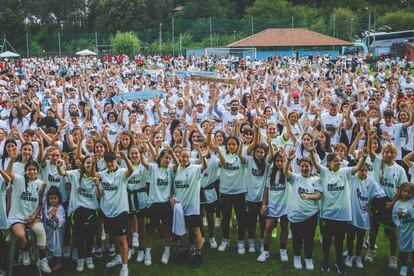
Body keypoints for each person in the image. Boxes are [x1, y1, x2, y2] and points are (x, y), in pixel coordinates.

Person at [310, 143, 368, 273]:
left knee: (339, 241)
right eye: (335, 161)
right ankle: (326, 262)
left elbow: (358, 167)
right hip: (327, 214)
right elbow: (316, 165)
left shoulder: (345, 172)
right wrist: (311, 153)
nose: (338, 163)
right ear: (329, 163)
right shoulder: (324, 173)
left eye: (339, 161)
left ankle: (338, 263)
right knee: (326, 241)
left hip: (342, 215)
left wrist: (363, 157)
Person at [6, 159, 51, 273]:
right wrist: (12, 159)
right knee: (21, 235)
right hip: (17, 216)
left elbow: (40, 203)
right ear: (25, 171)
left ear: (37, 170)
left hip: (32, 216)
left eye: (34, 169)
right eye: (29, 169)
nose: (32, 172)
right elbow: (8, 173)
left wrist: (34, 215)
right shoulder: (19, 179)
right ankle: (25, 250)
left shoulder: (41, 184)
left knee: (40, 231)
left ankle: (43, 260)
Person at [57, 155, 100, 272]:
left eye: (91, 163)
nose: (89, 165)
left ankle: (89, 257)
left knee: (90, 236)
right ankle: (81, 259)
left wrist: (97, 185)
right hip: (77, 210)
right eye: (87, 162)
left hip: (92, 210)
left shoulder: (96, 176)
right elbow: (62, 173)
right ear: (83, 163)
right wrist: (59, 166)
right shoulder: (76, 173)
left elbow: (99, 196)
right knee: (79, 236)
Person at [94, 151, 134, 276]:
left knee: (122, 239)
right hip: (107, 211)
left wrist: (126, 158)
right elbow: (93, 177)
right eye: (107, 161)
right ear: (105, 162)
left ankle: (125, 267)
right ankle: (118, 257)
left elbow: (131, 171)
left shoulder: (122, 172)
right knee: (114, 237)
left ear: (115, 161)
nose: (110, 163)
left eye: (112, 161)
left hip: (120, 211)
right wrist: (96, 184)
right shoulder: (102, 174)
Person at [284, 150, 322, 271]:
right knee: (297, 238)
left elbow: (319, 195)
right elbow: (285, 172)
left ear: (311, 167)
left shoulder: (316, 180)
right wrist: (289, 160)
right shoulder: (295, 178)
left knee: (309, 238)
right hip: (296, 215)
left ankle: (308, 258)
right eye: (302, 166)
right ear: (299, 167)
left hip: (311, 215)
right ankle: (296, 257)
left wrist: (308, 196)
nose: (304, 168)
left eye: (307, 166)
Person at [140, 147, 178, 266]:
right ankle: (148, 253)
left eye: (169, 158)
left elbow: (178, 163)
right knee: (151, 230)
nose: (168, 160)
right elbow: (144, 162)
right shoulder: (153, 167)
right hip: (154, 203)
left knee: (167, 230)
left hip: (166, 204)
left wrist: (173, 154)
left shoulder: (171, 168)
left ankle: (167, 252)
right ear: (160, 158)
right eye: (166, 157)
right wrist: (141, 153)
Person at [170, 147, 207, 268]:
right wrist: (172, 197)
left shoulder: (194, 169)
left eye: (187, 156)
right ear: (180, 157)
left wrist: (202, 154)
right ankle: (184, 252)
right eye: (183, 156)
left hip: (192, 207)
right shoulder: (176, 169)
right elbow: (172, 186)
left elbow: (204, 166)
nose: (185, 158)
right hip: (180, 207)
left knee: (195, 230)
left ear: (190, 157)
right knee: (183, 231)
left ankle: (199, 255)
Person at [257, 149, 290, 263]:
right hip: (272, 204)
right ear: (274, 161)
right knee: (268, 228)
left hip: (285, 205)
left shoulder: (288, 171)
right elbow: (266, 189)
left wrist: (288, 160)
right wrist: (264, 203)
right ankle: (265, 251)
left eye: (282, 161)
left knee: (285, 227)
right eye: (278, 161)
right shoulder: (270, 171)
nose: (280, 163)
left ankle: (283, 249)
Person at [41, 186, 66, 272]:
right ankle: (49, 259)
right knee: (48, 244)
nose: (53, 200)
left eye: (55, 198)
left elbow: (62, 220)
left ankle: (59, 262)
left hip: (56, 232)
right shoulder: (47, 206)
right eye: (51, 198)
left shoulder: (60, 208)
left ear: (58, 198)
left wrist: (56, 218)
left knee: (57, 246)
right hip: (48, 230)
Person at [392, 182, 414, 276]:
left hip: (413, 229)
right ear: (400, 191)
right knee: (403, 250)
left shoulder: (413, 201)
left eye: (409, 192)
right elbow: (394, 216)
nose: (406, 193)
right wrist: (399, 215)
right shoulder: (397, 204)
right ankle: (404, 265)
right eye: (404, 191)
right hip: (404, 230)